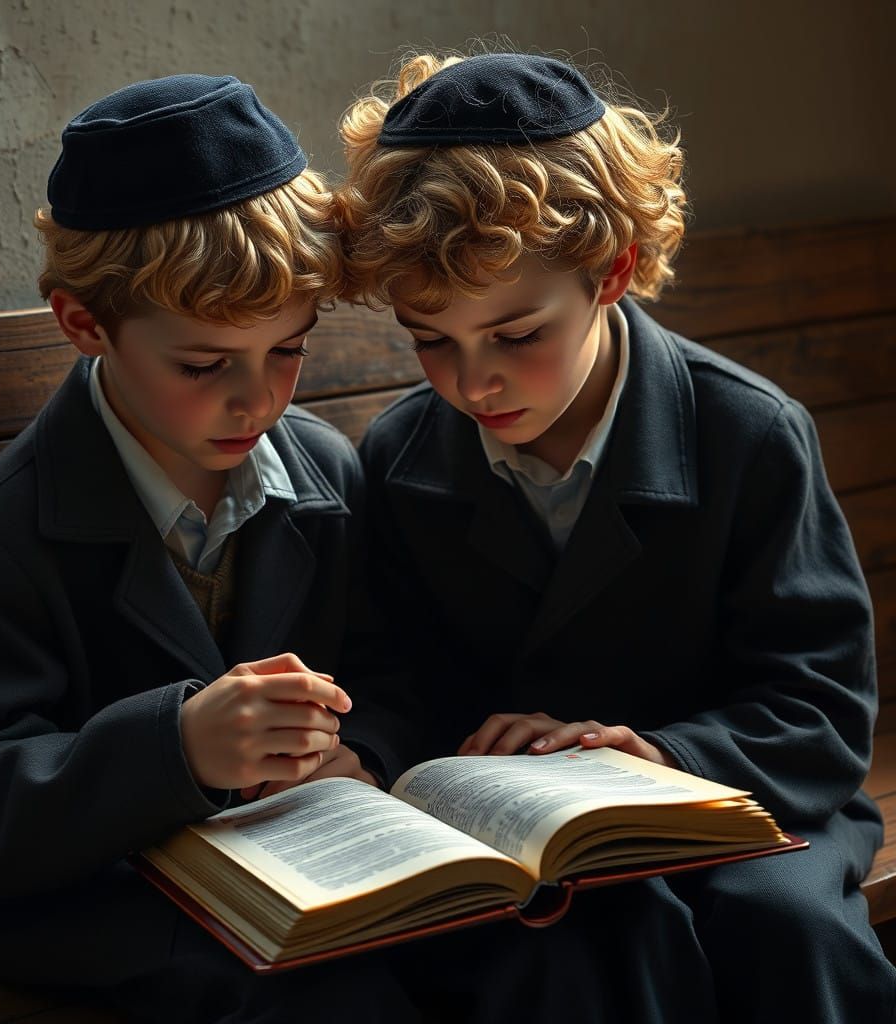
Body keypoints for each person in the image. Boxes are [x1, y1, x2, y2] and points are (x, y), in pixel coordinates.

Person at [336, 50, 896, 1022]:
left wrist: (663, 757)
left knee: (782, 930)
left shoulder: (747, 433)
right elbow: (393, 673)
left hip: (746, 809)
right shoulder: (401, 455)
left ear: (613, 273)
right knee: (562, 964)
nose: (474, 383)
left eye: (515, 335)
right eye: (431, 339)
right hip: (524, 843)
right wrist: (374, 750)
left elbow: (818, 702)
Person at [0, 74, 406, 1023]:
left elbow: (388, 667)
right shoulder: (8, 531)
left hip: (299, 868)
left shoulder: (328, 476)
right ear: (84, 326)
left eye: (287, 350)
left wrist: (364, 752)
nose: (257, 401)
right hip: (107, 903)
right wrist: (175, 747)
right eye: (206, 364)